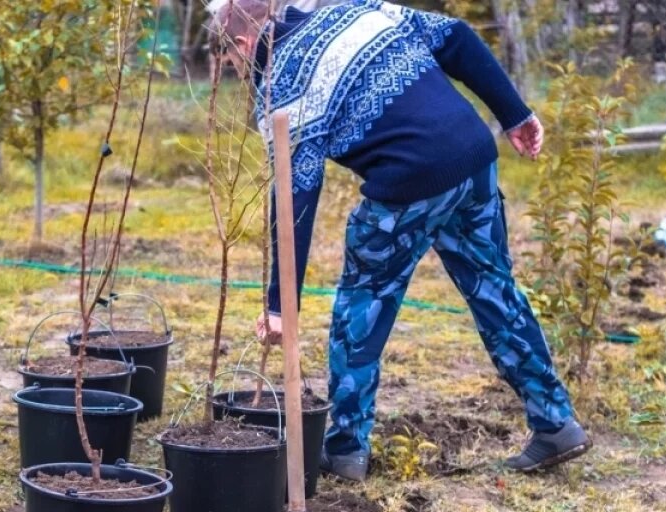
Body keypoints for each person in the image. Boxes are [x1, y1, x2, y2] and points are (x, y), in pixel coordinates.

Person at [208, 0, 590, 481]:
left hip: (409, 181)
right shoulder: (357, 9)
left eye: (233, 62)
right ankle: (556, 423)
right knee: (494, 287)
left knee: (360, 308)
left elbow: (294, 198)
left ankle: (345, 449)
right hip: (473, 155)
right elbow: (456, 36)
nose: (240, 72)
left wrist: (281, 305)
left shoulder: (280, 85)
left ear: (242, 43)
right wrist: (514, 113)